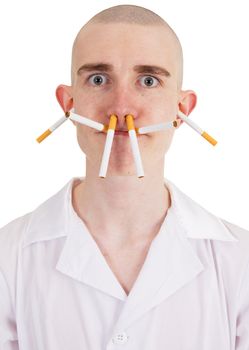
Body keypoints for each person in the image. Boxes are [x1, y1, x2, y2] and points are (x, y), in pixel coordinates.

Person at [0, 4, 249, 350]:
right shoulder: (8, 258)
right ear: (68, 104)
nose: (121, 109)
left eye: (148, 80)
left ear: (182, 109)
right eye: (98, 80)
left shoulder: (240, 262)